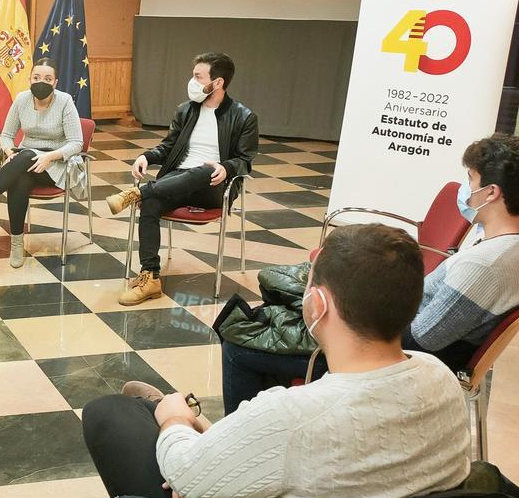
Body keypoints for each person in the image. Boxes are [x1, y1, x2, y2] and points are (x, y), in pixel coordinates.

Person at [81, 224, 471, 498]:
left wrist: (174, 419)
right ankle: (204, 435)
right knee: (183, 438)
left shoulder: (295, 414)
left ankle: (181, 421)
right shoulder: (440, 378)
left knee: (110, 413)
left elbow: (184, 474)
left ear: (317, 304)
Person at [221, 133, 519, 412]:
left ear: (491, 192)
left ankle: (239, 456)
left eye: (471, 179)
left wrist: (353, 311)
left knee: (238, 343)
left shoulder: (486, 265)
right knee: (273, 312)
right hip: (386, 334)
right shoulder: (503, 248)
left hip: (383, 358)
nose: (465, 188)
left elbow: (420, 341)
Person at [107, 52, 258, 306]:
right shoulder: (186, 110)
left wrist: (227, 167)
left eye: (198, 77)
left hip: (213, 185)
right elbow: (168, 147)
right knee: (152, 205)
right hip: (177, 179)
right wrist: (147, 156)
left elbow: (245, 160)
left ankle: (139, 192)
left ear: (218, 83)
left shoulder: (243, 116)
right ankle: (151, 277)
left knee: (205, 168)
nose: (192, 81)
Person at [0, 58, 83, 267]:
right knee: (20, 176)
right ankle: (16, 243)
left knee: (24, 157)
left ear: (56, 83)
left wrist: (50, 156)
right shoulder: (22, 99)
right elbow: (6, 135)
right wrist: (8, 151)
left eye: (48, 78)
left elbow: (77, 143)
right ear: (30, 79)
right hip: (24, 162)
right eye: (37, 77)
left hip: (56, 164)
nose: (41, 82)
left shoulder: (65, 101)